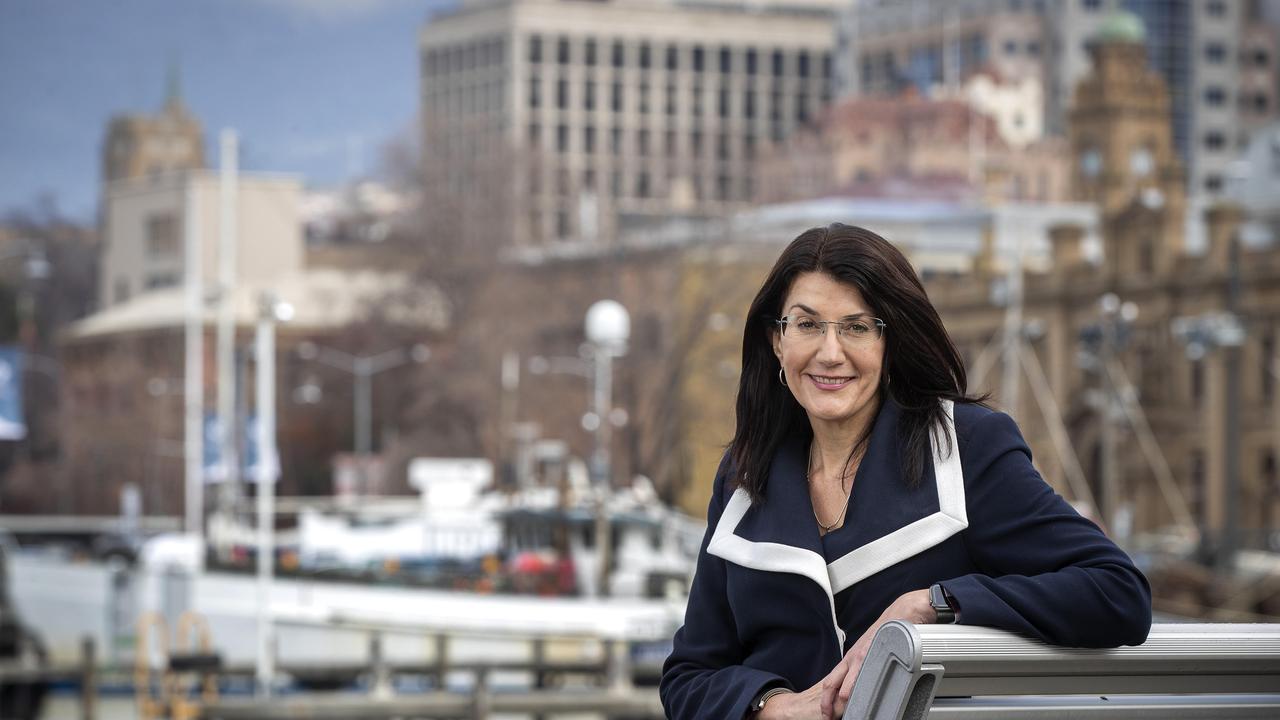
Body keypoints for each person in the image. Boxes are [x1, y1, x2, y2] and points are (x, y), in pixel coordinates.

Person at [659, 224, 1151, 720]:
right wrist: (772, 706)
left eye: (856, 327)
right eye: (807, 325)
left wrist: (933, 604)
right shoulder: (744, 476)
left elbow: (1116, 592)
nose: (830, 353)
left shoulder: (964, 447)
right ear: (776, 341)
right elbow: (689, 676)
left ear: (890, 342)